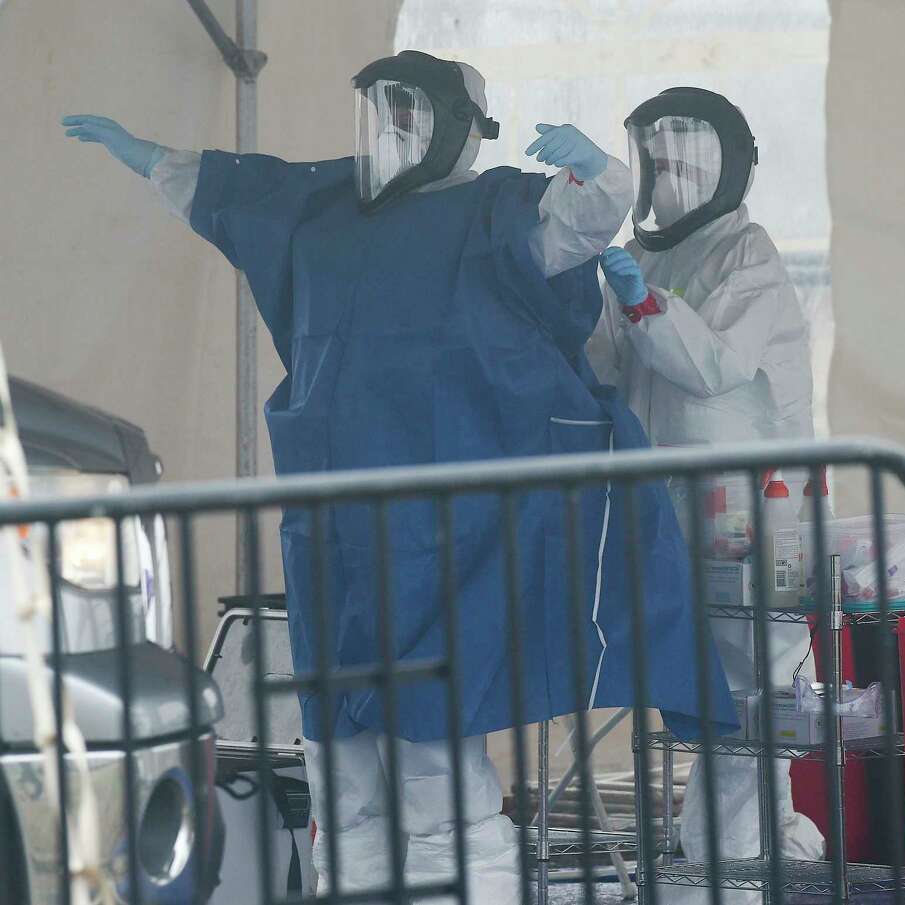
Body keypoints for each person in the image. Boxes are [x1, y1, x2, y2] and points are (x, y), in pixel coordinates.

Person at [65, 53, 738, 903]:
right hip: (334, 529)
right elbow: (233, 196)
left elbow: (586, 218)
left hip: (445, 530)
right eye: (378, 112)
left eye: (407, 113)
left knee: (429, 752)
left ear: (457, 127)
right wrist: (153, 156)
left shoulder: (494, 214)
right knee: (339, 760)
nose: (386, 132)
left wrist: (597, 166)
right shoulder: (323, 212)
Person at [586, 87, 824, 900]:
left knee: (758, 692)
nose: (668, 173)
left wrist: (640, 299)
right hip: (680, 507)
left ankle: (730, 866)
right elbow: (610, 366)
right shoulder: (647, 255)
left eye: (684, 156)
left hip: (763, 508)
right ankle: (759, 852)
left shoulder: (745, 253)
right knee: (724, 696)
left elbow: (707, 363)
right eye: (655, 158)